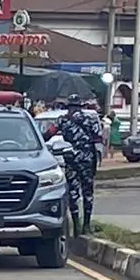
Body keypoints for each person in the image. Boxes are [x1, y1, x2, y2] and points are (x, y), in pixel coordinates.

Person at [58, 94, 102, 234]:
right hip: (87, 159)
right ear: (81, 106)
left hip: (70, 158)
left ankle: (76, 225)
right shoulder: (90, 119)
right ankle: (86, 226)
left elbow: (47, 134)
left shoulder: (62, 120)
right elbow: (98, 138)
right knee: (87, 192)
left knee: (73, 192)